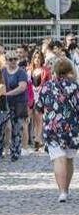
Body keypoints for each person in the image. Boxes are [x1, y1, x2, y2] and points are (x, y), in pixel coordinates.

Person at [35, 58, 79, 202]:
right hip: (71, 128)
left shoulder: (47, 86)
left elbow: (39, 107)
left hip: (52, 128)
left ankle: (62, 193)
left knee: (58, 159)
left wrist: (39, 130)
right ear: (69, 70)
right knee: (69, 159)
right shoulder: (74, 86)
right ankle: (66, 189)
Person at [2, 51, 28, 162]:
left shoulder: (21, 72)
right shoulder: (3, 71)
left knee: (17, 128)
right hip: (6, 104)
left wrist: (8, 94)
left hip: (18, 103)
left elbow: (22, 87)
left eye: (15, 59)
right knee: (2, 127)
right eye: (10, 59)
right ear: (6, 60)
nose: (13, 62)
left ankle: (16, 151)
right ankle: (2, 150)